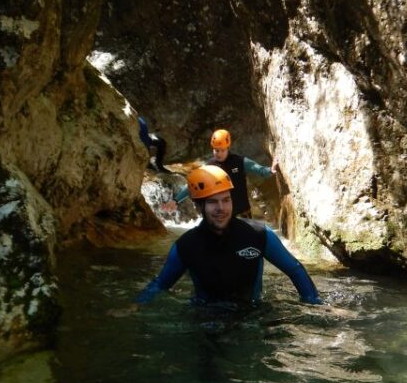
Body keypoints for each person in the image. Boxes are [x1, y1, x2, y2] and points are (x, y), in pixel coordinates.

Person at [136, 165, 323, 306]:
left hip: (251, 314)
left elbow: (295, 270)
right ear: (198, 206)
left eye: (226, 200)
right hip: (206, 318)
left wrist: (315, 304)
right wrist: (135, 306)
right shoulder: (186, 246)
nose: (221, 208)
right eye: (213, 202)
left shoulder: (258, 234)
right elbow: (161, 284)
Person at [164, 129, 276, 217]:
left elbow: (260, 170)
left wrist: (271, 170)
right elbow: (192, 186)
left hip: (243, 212)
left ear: (228, 148)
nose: (219, 153)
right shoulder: (209, 166)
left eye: (222, 150)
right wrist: (176, 200)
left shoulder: (240, 161)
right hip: (223, 215)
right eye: (216, 150)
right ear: (212, 149)